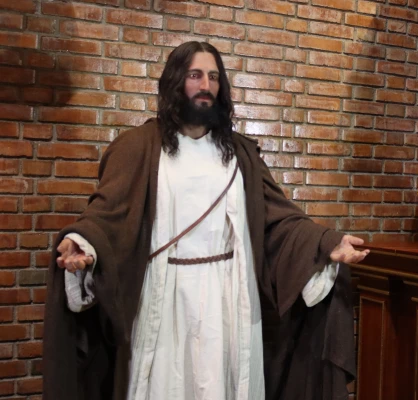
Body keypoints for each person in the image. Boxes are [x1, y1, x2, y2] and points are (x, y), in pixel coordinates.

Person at [42, 41, 369, 400]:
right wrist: (83, 242)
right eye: (195, 75)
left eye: (213, 77)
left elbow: (278, 219)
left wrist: (324, 243)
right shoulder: (138, 147)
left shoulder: (239, 154)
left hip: (228, 295)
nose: (205, 85)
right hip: (165, 295)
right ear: (175, 82)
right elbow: (108, 213)